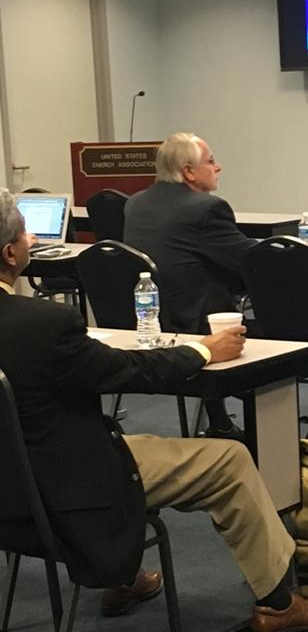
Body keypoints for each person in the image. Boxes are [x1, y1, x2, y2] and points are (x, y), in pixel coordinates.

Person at [0, 189, 308, 632]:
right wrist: (201, 350)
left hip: (12, 495)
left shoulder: (39, 327)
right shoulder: (43, 326)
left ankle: (121, 578)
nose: (33, 236)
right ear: (10, 251)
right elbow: (130, 370)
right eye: (24, 229)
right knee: (229, 459)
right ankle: (277, 604)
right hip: (70, 491)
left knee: (101, 438)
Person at [124, 132, 257, 436]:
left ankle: (220, 420)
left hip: (151, 321)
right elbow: (248, 261)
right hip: (197, 324)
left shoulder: (134, 204)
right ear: (188, 171)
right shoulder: (205, 209)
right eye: (211, 161)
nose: (218, 167)